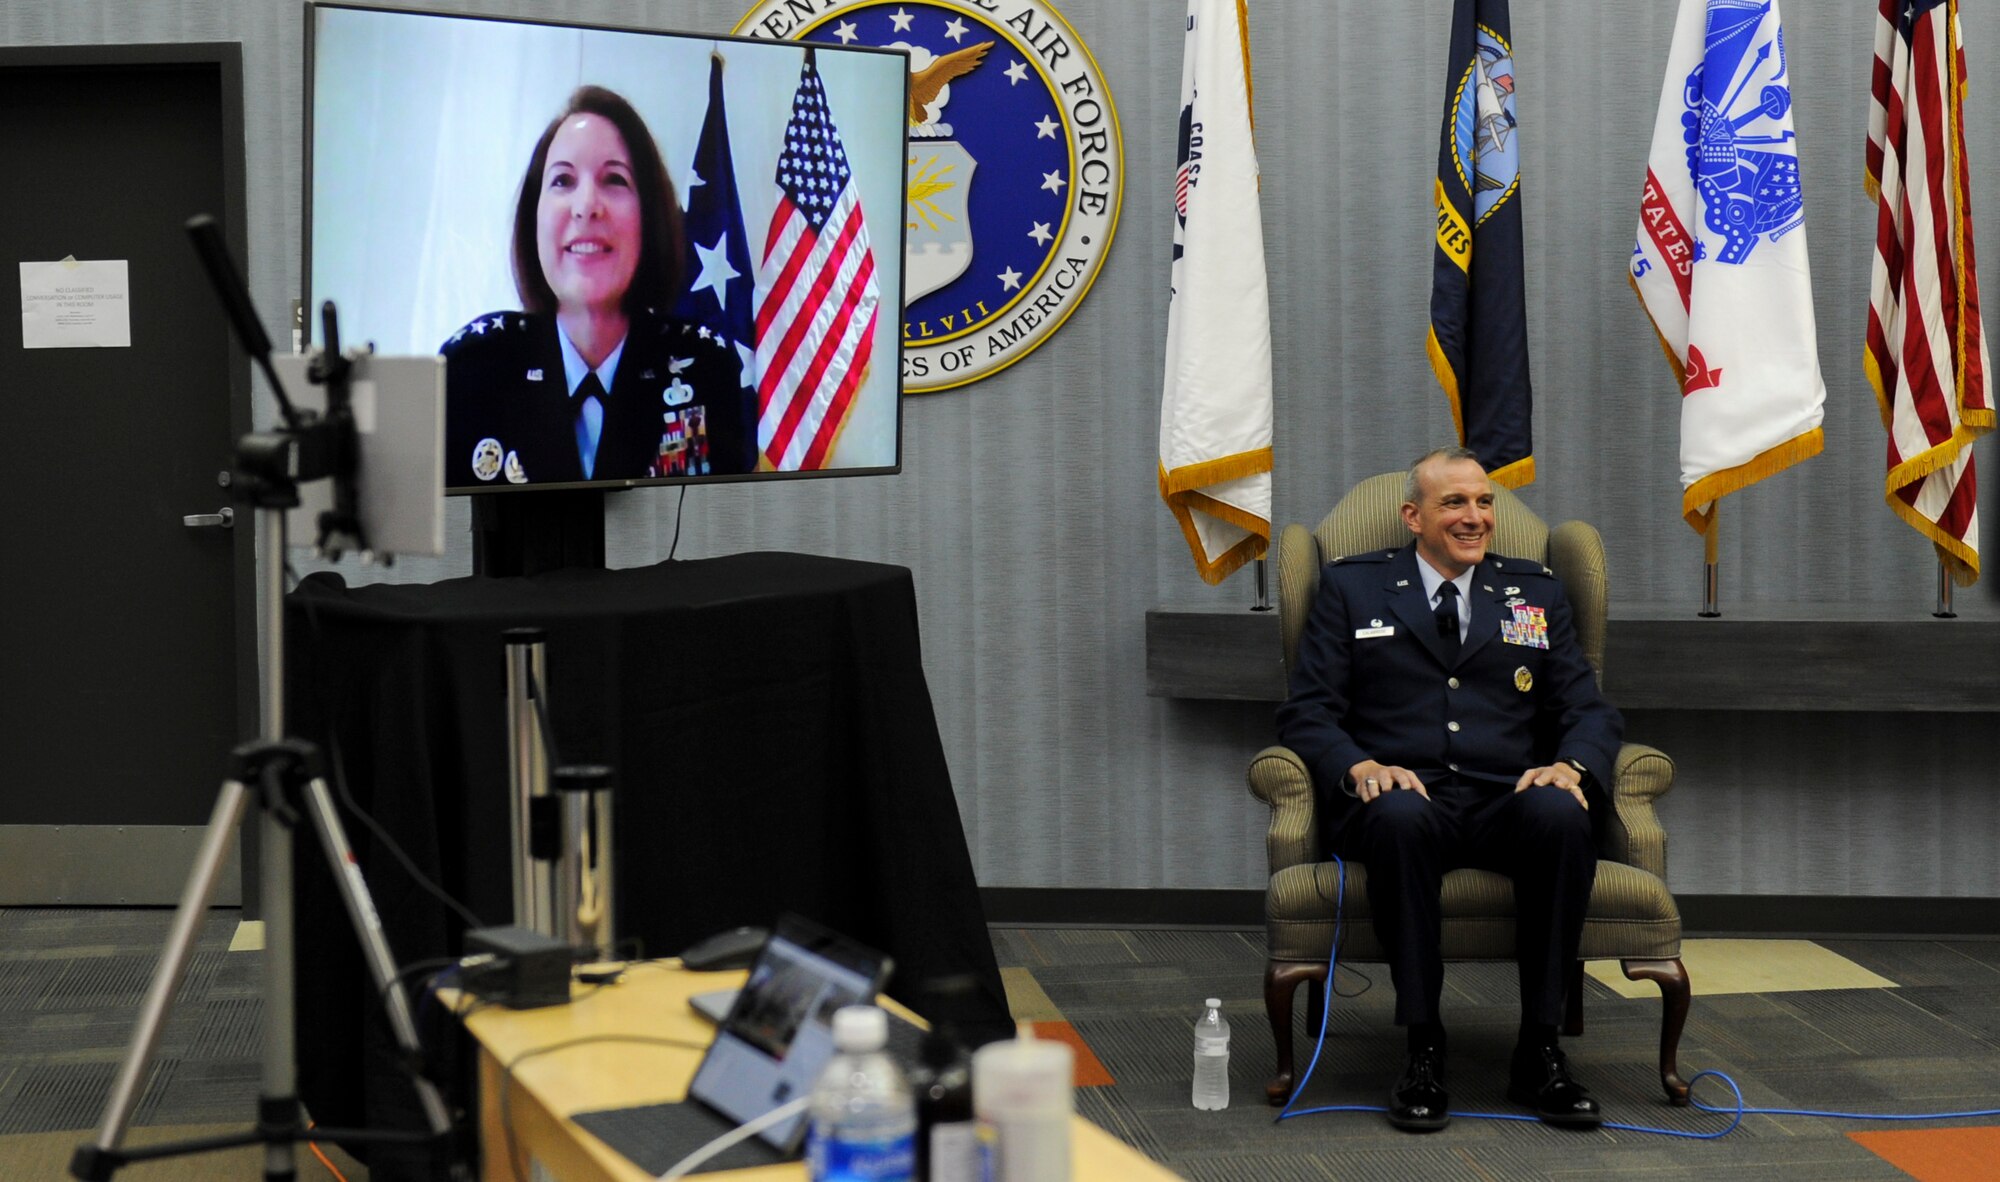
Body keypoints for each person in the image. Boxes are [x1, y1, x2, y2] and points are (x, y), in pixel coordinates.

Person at [1276, 446, 1623, 1132]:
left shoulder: (1536, 591)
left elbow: (1587, 709)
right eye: (1455, 503)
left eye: (1485, 502)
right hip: (1406, 796)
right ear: (1413, 516)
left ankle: (1540, 1049)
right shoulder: (1353, 589)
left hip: (1505, 796)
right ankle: (1423, 1047)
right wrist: (1359, 767)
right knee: (1398, 818)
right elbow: (1307, 711)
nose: (1476, 517)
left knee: (1560, 815)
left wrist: (1572, 766)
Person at [442, 86, 752, 486]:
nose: (586, 204)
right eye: (563, 180)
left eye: (614, 179)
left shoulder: (707, 370)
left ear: (649, 216)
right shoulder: (472, 371)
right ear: (533, 217)